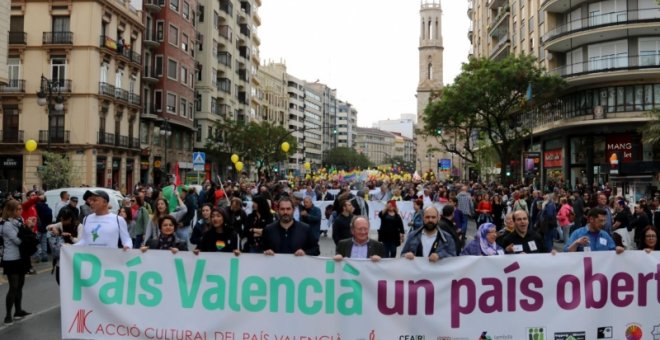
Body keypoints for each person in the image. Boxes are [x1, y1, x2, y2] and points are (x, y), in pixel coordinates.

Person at [1, 199, 34, 324]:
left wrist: (27, 227)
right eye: (18, 209)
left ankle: (18, 310)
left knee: (20, 285)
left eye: (21, 209)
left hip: (21, 257)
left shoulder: (19, 221)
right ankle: (8, 315)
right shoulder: (7, 225)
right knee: (13, 287)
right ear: (11, 211)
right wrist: (26, 229)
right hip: (11, 258)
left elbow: (24, 237)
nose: (21, 211)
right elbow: (18, 241)